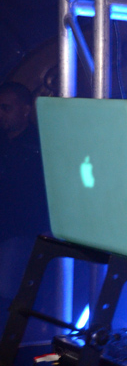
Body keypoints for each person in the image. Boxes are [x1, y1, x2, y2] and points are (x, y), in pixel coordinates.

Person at [0, 82, 50, 330]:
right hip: (6, 228)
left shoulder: (40, 147)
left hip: (23, 233)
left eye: (6, 108)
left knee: (9, 293)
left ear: (26, 110)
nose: (1, 114)